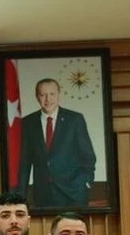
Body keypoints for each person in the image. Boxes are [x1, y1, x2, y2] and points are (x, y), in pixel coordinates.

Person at [16, 78, 98, 209]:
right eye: (43, 95)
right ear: (37, 97)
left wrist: (87, 181)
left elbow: (88, 155)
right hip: (43, 195)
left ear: (59, 94)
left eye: (52, 94)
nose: (48, 99)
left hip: (73, 193)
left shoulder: (75, 120)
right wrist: (20, 197)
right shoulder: (28, 123)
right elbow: (24, 162)